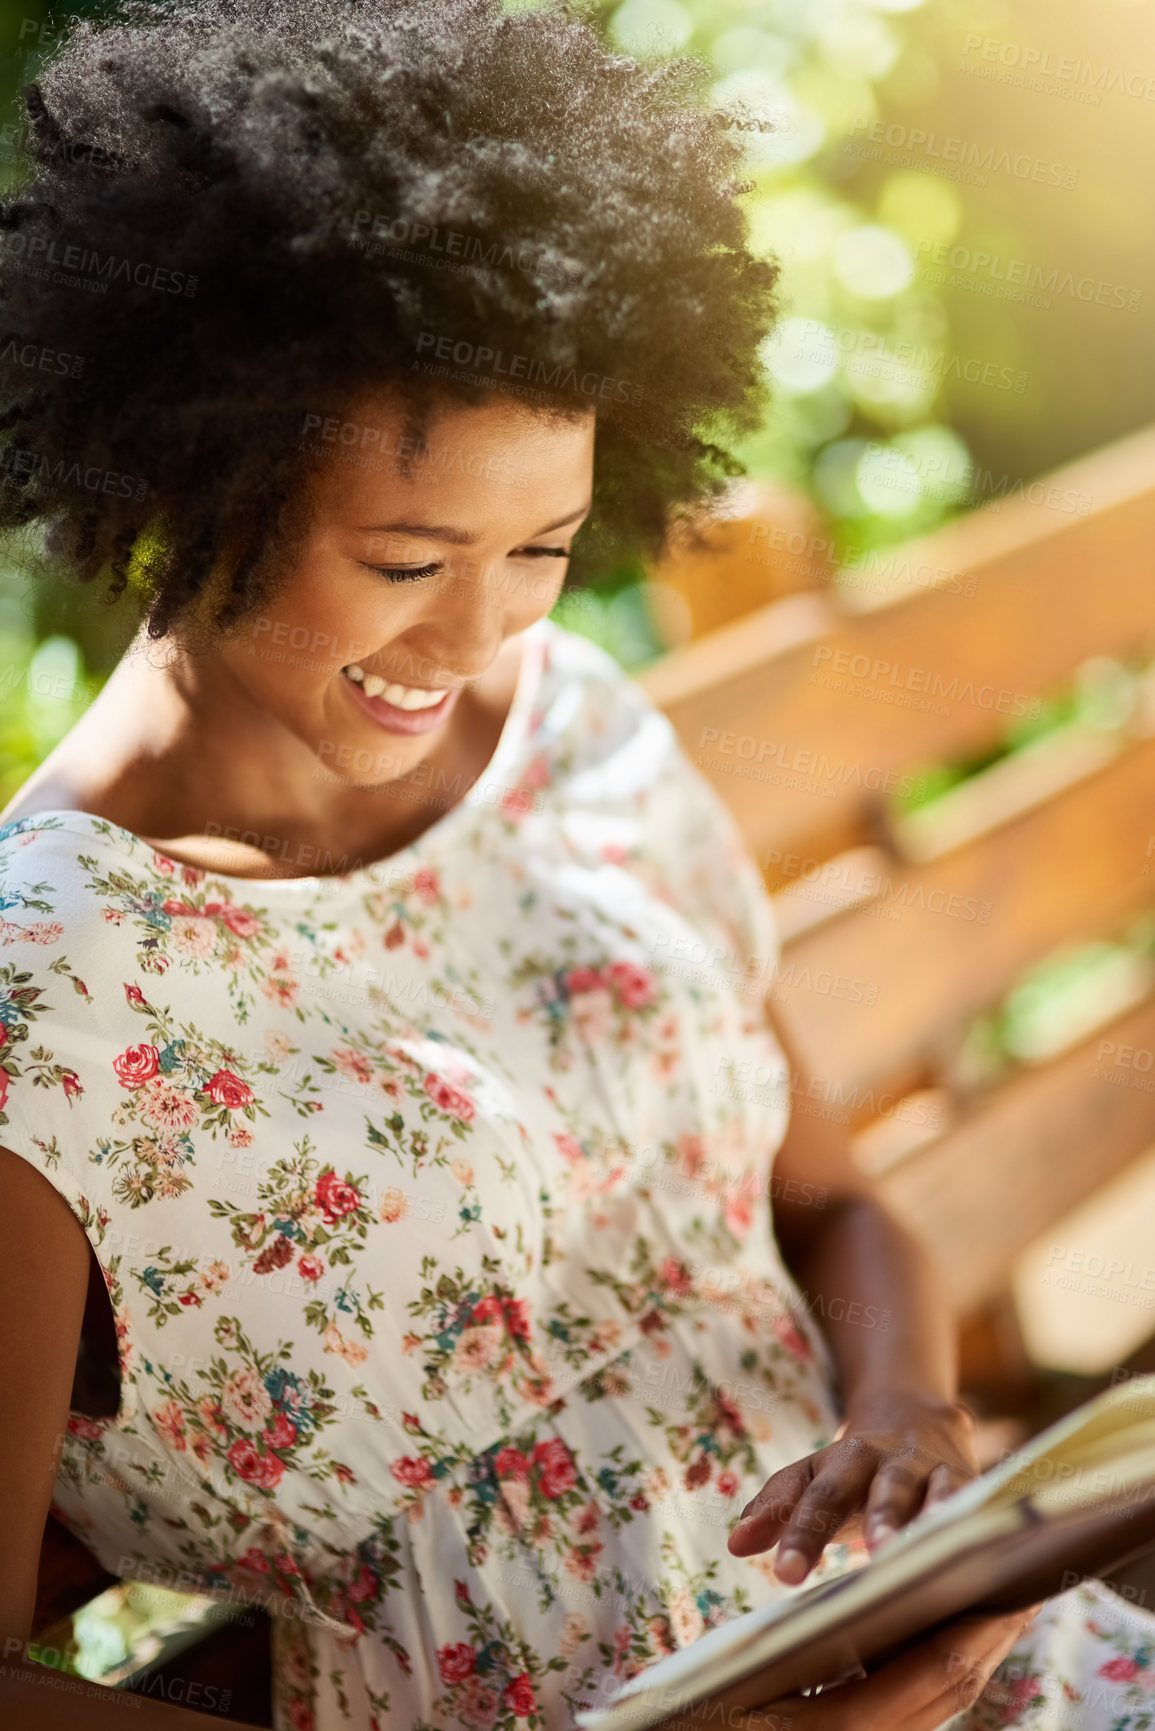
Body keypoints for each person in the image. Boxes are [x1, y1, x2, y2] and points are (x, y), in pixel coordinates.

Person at [0, 3, 1151, 1729]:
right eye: (405, 559)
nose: (475, 635)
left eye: (540, 545)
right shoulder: (52, 994)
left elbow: (829, 1199)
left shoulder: (576, 731)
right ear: (188, 472)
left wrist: (913, 1415)